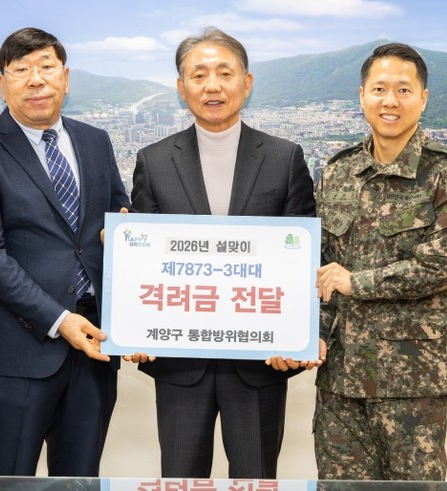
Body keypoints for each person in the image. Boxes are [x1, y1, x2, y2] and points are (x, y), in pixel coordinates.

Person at [129, 27, 316, 478]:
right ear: (181, 88)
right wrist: (133, 323)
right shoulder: (153, 160)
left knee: (255, 480)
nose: (212, 86)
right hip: (178, 364)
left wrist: (297, 335)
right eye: (199, 75)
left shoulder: (284, 157)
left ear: (246, 83)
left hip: (260, 364)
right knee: (180, 479)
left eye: (225, 73)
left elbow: (305, 259)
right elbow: (144, 264)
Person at [0, 27, 130, 477]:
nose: (36, 80)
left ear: (66, 77)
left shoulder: (95, 141)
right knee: (8, 479)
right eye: (21, 70)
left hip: (95, 343)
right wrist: (59, 319)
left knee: (80, 479)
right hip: (19, 351)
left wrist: (127, 231)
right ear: (2, 83)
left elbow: (117, 214)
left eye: (47, 67)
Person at [314, 42, 447, 480]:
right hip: (341, 378)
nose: (390, 101)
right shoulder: (337, 172)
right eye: (379, 88)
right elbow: (321, 267)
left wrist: (356, 282)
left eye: (404, 90)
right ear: (362, 95)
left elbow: (444, 265)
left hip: (413, 381)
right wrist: (313, 334)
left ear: (423, 97)